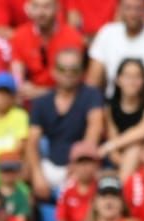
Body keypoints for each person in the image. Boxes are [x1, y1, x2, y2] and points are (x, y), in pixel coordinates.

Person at [22, 45, 103, 201]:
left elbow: (94, 130)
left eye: (73, 69)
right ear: (54, 71)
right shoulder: (42, 102)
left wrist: (78, 166)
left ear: (81, 73)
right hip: (50, 164)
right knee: (24, 177)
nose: (68, 74)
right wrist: (37, 175)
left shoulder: (91, 96)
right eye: (62, 69)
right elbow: (32, 142)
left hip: (81, 164)